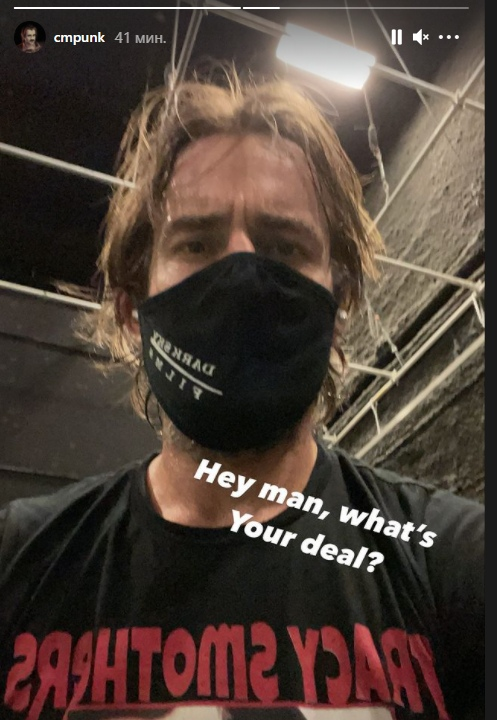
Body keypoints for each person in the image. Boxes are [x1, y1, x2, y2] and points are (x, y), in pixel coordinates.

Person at [0, 73, 483, 720]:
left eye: (283, 246)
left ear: (338, 306)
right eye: (196, 243)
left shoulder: (450, 562)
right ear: (133, 308)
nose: (242, 276)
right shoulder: (19, 561)